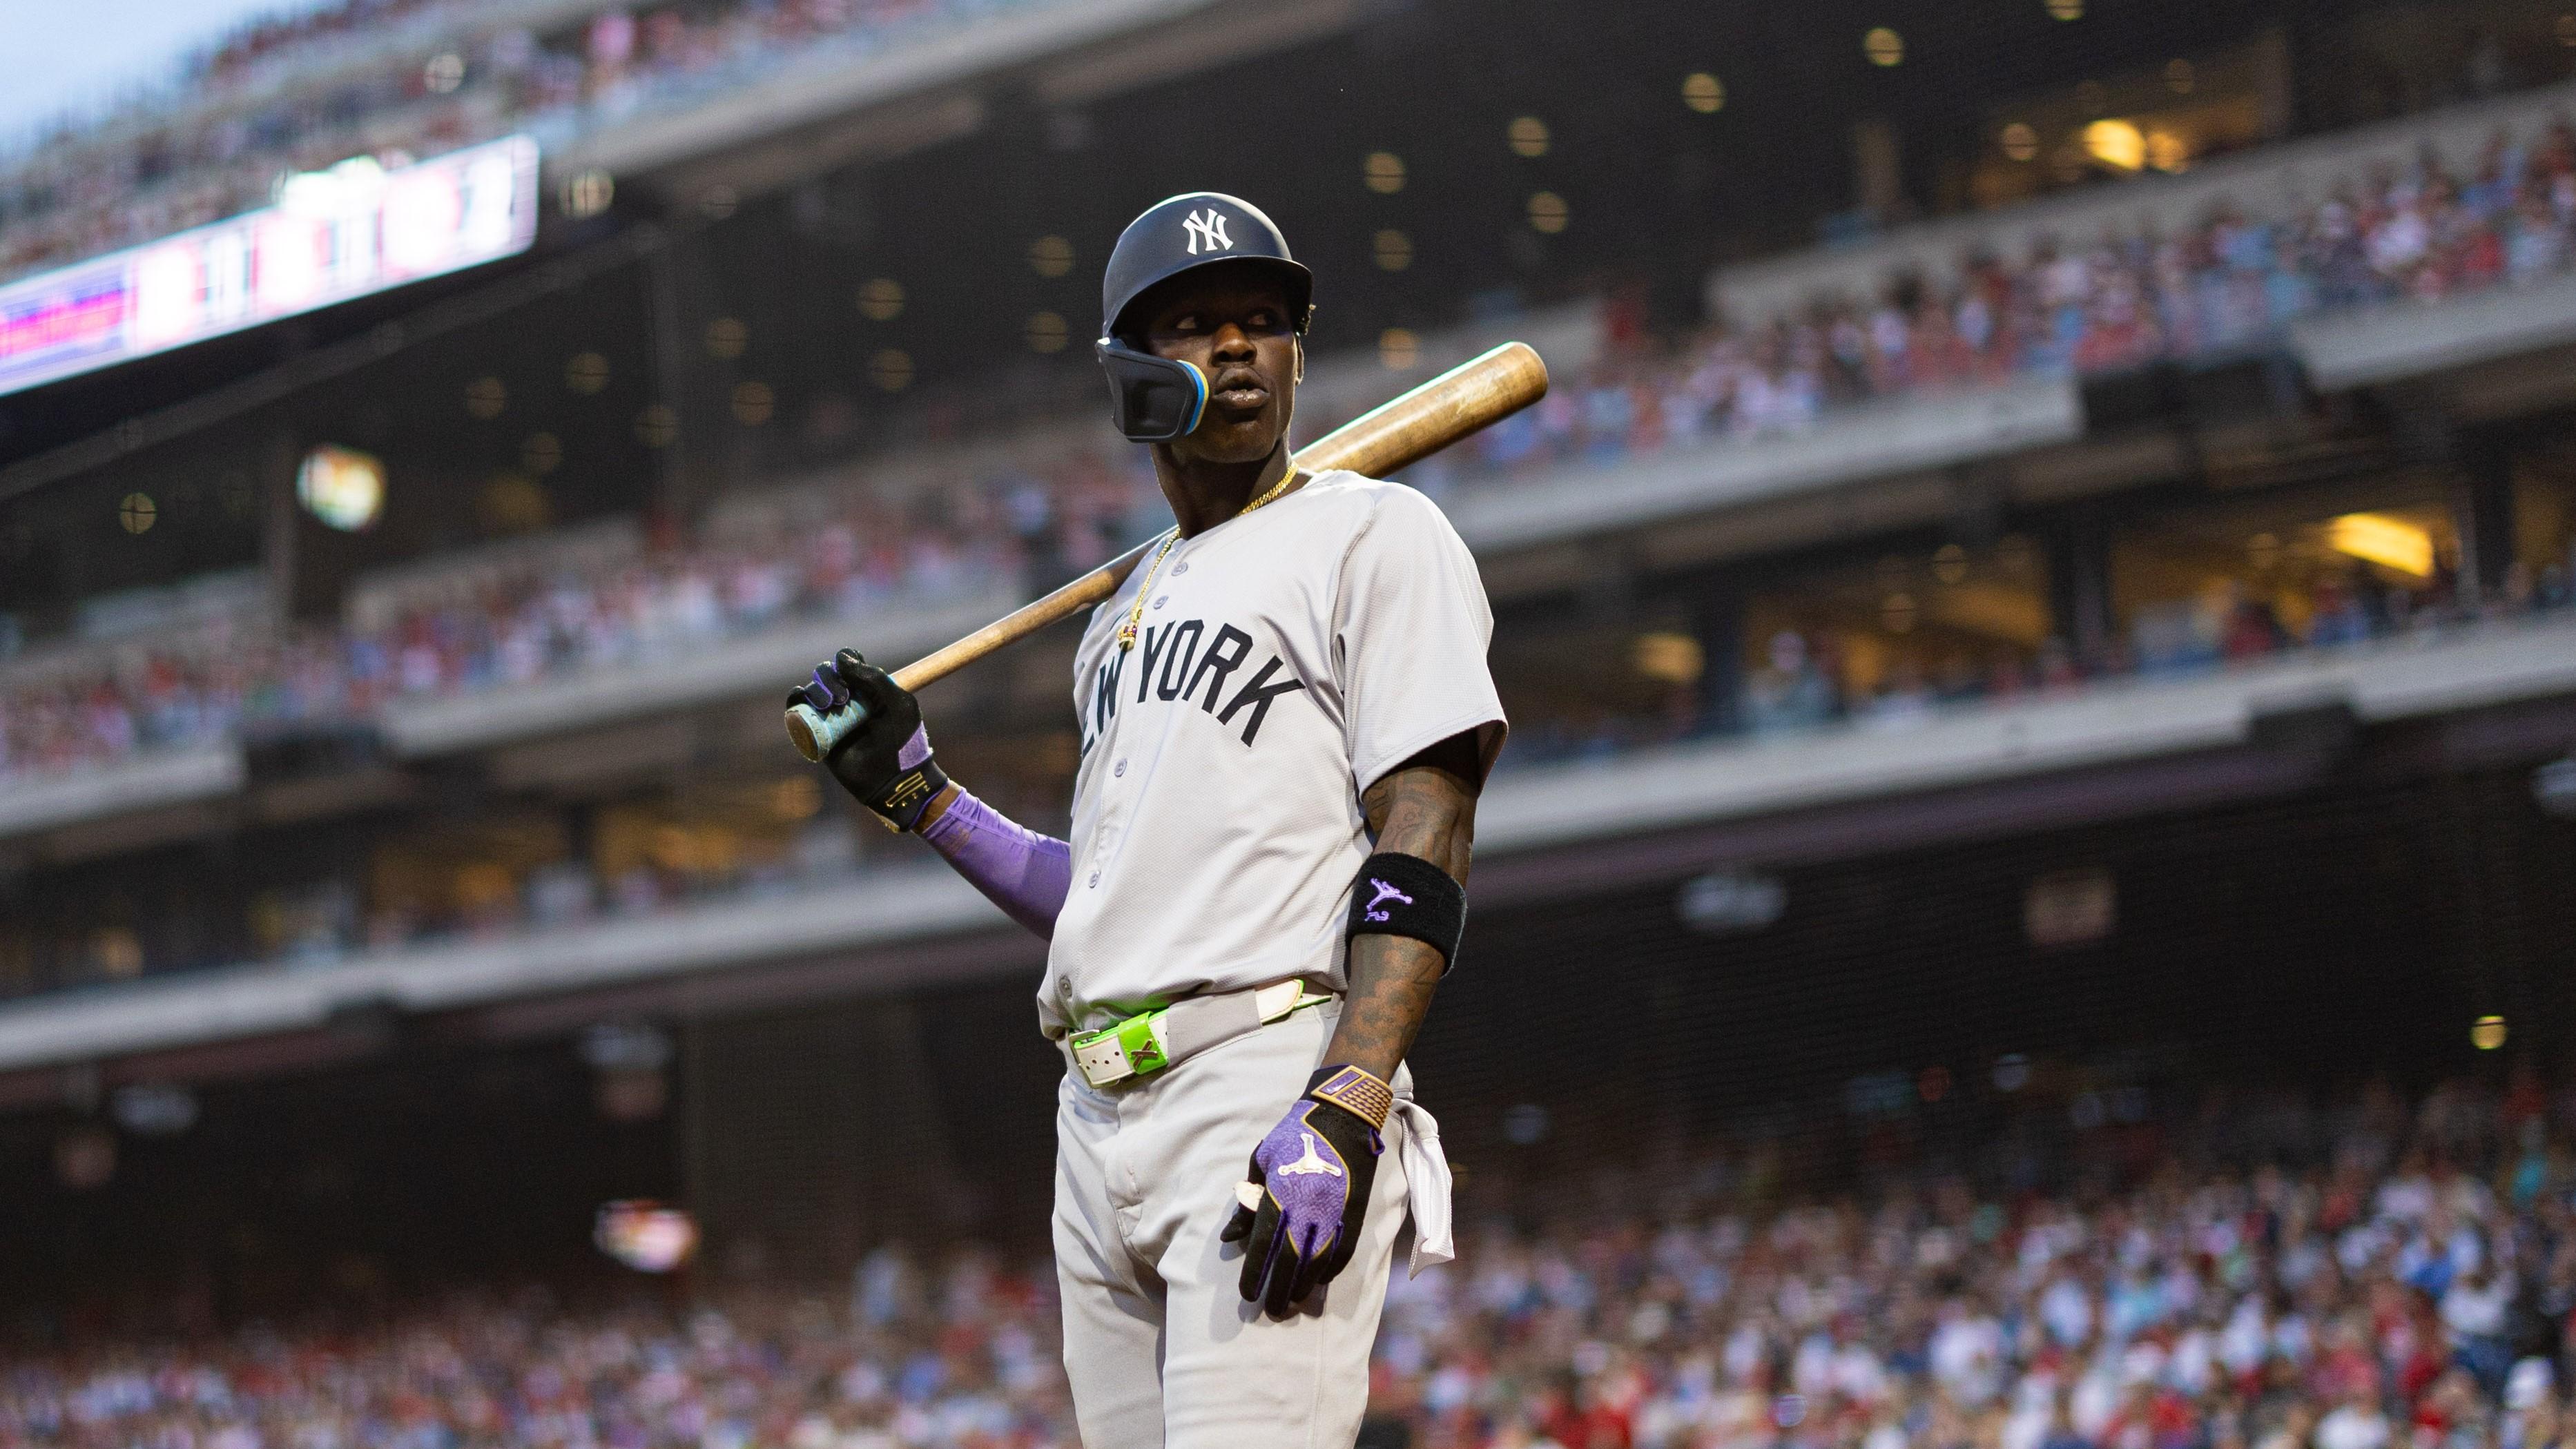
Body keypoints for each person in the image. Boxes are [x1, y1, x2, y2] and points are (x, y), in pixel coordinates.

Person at [790, 191, 1507, 1446]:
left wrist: (1349, 1099)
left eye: (1264, 321)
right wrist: (923, 798)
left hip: (1261, 1082)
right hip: (1095, 1113)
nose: (1239, 347)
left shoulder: (1379, 532)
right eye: (1195, 324)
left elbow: (1428, 821)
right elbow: (1109, 900)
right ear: (1129, 378)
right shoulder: (1122, 611)